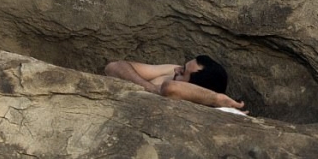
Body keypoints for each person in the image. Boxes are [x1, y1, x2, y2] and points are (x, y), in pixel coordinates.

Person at [104, 55, 245, 111]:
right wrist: (151, 88)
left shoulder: (197, 102)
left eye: (183, 72)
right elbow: (113, 67)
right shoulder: (172, 72)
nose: (176, 69)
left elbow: (170, 88)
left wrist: (215, 99)